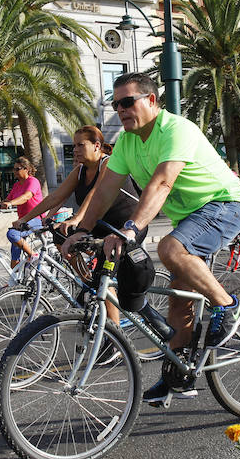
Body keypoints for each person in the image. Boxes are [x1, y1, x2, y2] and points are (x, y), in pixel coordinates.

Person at [60, 72, 240, 403]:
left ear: (151, 100)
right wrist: (81, 231)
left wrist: (131, 229)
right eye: (115, 104)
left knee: (169, 247)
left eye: (127, 102)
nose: (120, 109)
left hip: (223, 204)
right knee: (179, 300)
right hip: (190, 217)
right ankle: (180, 375)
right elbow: (104, 191)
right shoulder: (128, 143)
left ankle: (228, 305)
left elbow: (162, 183)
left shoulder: (176, 130)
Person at [13, 125, 146, 327]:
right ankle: (87, 279)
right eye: (74, 145)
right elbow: (57, 196)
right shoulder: (81, 170)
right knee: (60, 236)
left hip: (126, 226)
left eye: (80, 145)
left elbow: (96, 195)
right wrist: (28, 219)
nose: (75, 149)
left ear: (97, 146)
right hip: (101, 226)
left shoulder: (108, 163)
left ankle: (115, 336)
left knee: (105, 276)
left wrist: (77, 220)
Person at [0, 157, 44, 267]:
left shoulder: (33, 181)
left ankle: (34, 255)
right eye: (13, 169)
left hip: (36, 219)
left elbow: (26, 197)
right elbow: (7, 200)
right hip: (22, 221)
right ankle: (14, 281)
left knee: (12, 234)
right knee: (15, 253)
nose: (14, 172)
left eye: (17, 169)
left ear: (27, 169)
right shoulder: (17, 185)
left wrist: (10, 204)